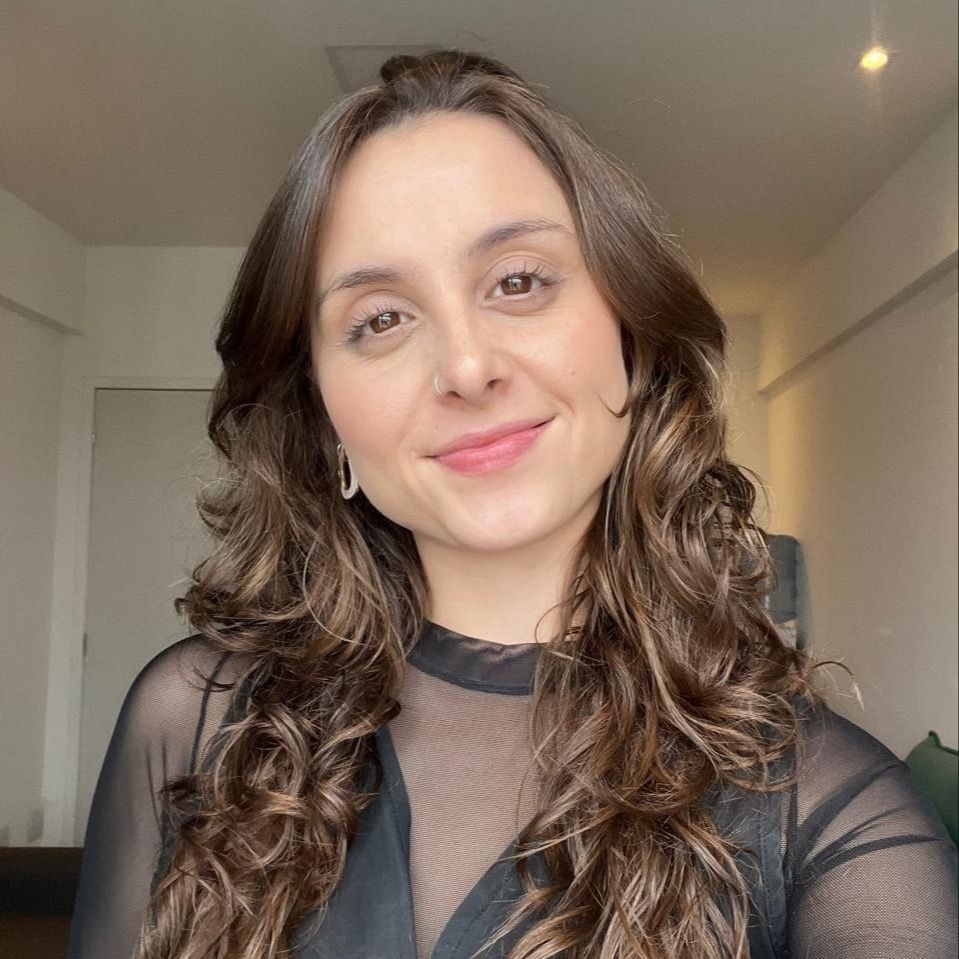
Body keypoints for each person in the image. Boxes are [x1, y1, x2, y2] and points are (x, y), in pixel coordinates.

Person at [67, 49, 958, 959]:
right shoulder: (192, 721)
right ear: (322, 411)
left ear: (631, 335)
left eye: (518, 280)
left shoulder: (835, 819)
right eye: (380, 318)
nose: (465, 365)